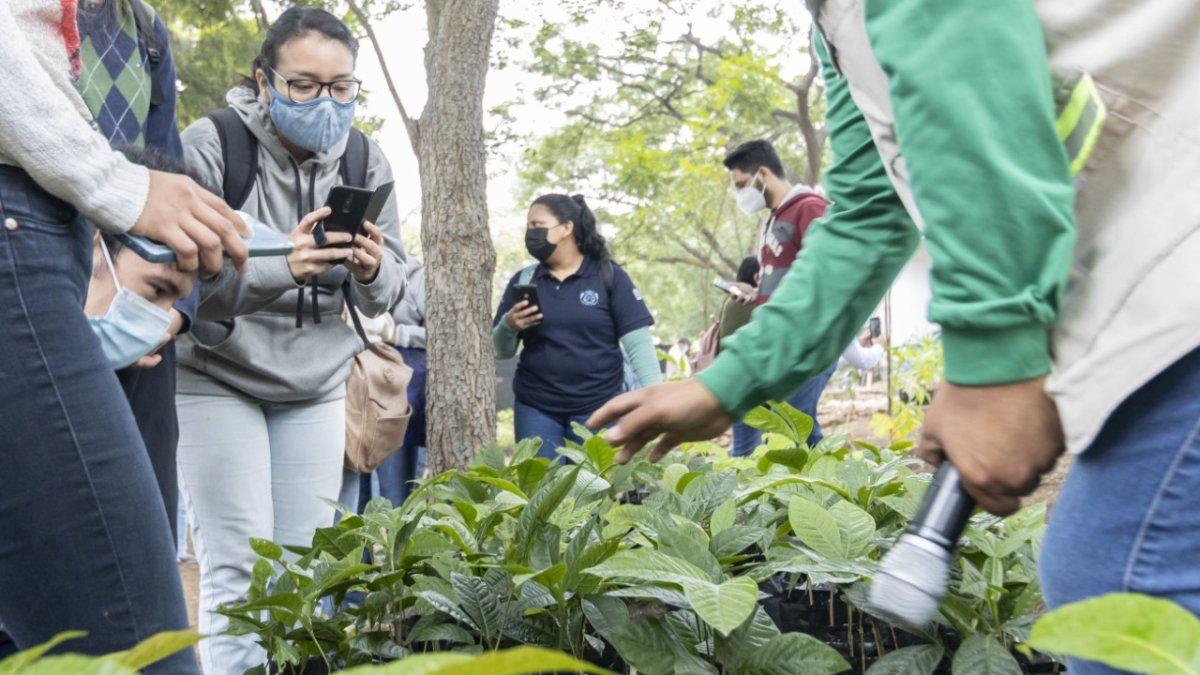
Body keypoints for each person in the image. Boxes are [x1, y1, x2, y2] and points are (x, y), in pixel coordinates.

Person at [590, 4, 1200, 672]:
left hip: (1178, 270)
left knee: (1119, 576)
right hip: (1157, 286)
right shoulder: (835, 26)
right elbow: (870, 210)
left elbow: (966, 48)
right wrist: (725, 382)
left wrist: (992, 360)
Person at [0, 1, 247, 670]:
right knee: (141, 645)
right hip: (28, 223)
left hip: (66, 228)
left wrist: (173, 303)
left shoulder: (145, 33)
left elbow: (168, 177)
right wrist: (114, 186)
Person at [174, 7, 405, 673]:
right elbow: (181, 284)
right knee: (240, 570)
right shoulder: (213, 146)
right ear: (264, 79)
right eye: (303, 85)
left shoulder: (365, 157)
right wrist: (284, 267)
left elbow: (391, 292)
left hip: (315, 384)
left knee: (306, 575)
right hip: (217, 376)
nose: (324, 103)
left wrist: (369, 269)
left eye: (341, 88)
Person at [75, 0, 198, 542]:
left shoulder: (145, 30)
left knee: (144, 523)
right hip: (43, 296)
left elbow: (167, 174)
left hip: (135, 312)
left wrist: (171, 314)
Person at [494, 193, 662, 456]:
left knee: (592, 490)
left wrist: (656, 400)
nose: (530, 233)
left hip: (599, 408)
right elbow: (500, 350)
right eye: (528, 227)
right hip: (536, 408)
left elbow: (638, 343)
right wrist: (509, 325)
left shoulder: (608, 276)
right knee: (542, 489)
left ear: (566, 228)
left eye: (538, 226)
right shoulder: (525, 279)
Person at [723, 139, 835, 447]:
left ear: (763, 174)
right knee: (791, 427)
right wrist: (755, 295)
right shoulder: (772, 220)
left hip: (808, 341)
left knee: (795, 427)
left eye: (742, 185)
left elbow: (824, 274)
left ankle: (825, 486)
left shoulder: (809, 208)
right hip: (780, 342)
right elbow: (784, 279)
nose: (740, 194)